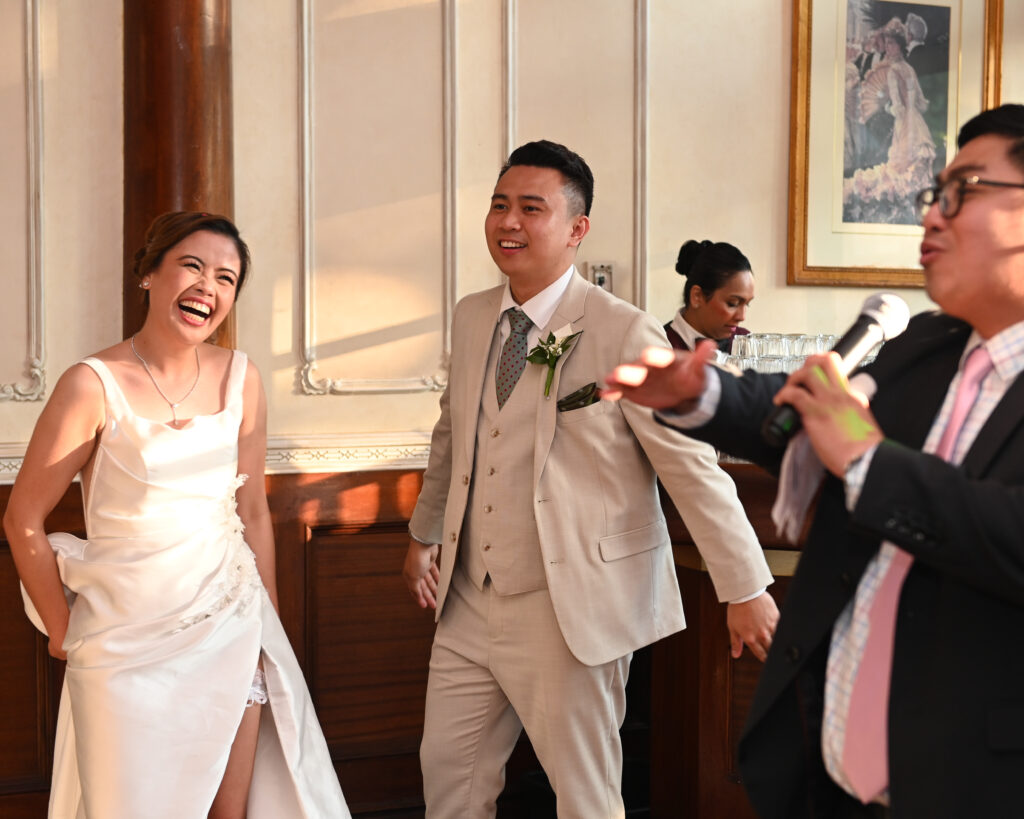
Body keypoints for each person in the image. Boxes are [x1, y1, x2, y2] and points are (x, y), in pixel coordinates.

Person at [603, 103, 1024, 817]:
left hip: (971, 783)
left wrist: (866, 456)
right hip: (828, 774)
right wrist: (698, 390)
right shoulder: (929, 344)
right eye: (933, 195)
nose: (930, 218)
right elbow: (803, 410)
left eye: (962, 193)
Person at [401, 139, 778, 818]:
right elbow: (452, 437)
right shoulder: (471, 314)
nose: (508, 221)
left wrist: (745, 584)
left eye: (530, 208)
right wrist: (425, 533)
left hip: (569, 604)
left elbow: (691, 467)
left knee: (584, 797)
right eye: (499, 205)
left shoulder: (624, 331)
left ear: (577, 229)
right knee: (449, 782)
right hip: (467, 597)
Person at [3, 212, 350, 818]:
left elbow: (253, 510)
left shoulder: (241, 378)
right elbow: (22, 519)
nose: (208, 287)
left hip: (230, 624)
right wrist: (63, 633)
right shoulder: (91, 383)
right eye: (192, 266)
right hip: (122, 641)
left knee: (228, 813)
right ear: (148, 275)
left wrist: (265, 622)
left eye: (226, 277)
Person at [664, 238, 754, 355]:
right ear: (697, 296)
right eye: (733, 303)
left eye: (747, 304)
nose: (742, 317)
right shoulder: (661, 344)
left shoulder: (746, 343)